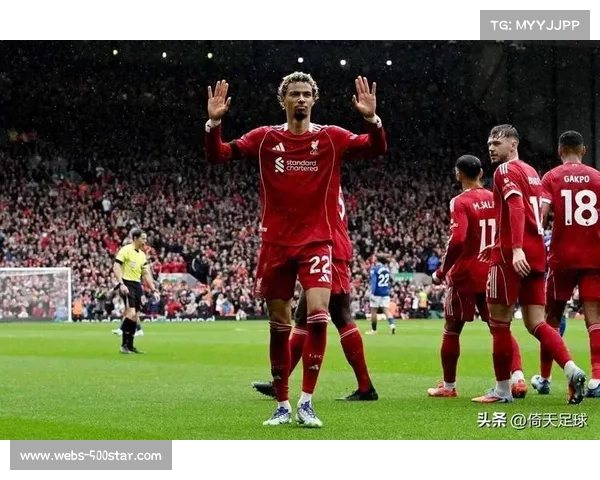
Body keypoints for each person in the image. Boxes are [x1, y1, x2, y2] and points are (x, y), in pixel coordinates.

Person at [205, 73, 387, 427]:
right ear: (283, 100)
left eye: (306, 94)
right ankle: (282, 404)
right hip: (275, 243)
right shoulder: (264, 138)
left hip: (318, 241)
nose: (301, 99)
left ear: (314, 99)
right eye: (294, 94)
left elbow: (376, 148)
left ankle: (307, 402)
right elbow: (219, 155)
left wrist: (372, 119)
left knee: (319, 315)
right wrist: (213, 124)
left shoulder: (331, 137)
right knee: (279, 325)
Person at [472, 124, 586, 405]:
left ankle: (502, 390)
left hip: (513, 255)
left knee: (499, 324)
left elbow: (516, 206)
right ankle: (571, 369)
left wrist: (514, 248)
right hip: (536, 254)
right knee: (537, 322)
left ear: (513, 144)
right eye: (489, 143)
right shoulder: (532, 172)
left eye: (496, 143)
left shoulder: (504, 171)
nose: (491, 148)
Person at [251, 187, 378, 402]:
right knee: (302, 318)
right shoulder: (328, 178)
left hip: (328, 247)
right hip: (324, 244)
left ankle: (365, 387)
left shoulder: (320, 177)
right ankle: (279, 383)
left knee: (341, 316)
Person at [427, 155, 527, 398]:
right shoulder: (496, 197)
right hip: (493, 271)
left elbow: (458, 239)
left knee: (452, 329)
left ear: (458, 174)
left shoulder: (459, 202)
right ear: (481, 173)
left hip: (465, 274)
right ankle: (518, 378)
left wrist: (441, 271)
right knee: (500, 328)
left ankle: (448, 386)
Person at [530, 131, 600, 398]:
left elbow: (541, 215)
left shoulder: (551, 177)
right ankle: (597, 379)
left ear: (560, 151)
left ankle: (545, 378)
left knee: (551, 317)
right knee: (595, 319)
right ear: (583, 150)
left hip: (562, 258)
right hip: (594, 257)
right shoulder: (597, 178)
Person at [112, 229, 157, 354]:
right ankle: (123, 341)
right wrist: (121, 284)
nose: (145, 241)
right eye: (143, 238)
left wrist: (154, 289)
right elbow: (116, 266)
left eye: (146, 238)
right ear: (135, 238)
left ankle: (130, 346)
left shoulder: (142, 254)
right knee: (131, 313)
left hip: (137, 285)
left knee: (135, 315)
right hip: (127, 283)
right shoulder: (126, 250)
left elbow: (146, 273)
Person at [366, 255, 396, 334]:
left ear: (377, 260)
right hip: (385, 292)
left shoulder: (375, 269)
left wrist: (372, 293)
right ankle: (392, 325)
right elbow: (390, 281)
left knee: (373, 312)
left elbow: (373, 282)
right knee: (386, 310)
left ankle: (374, 330)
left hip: (377, 293)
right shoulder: (386, 269)